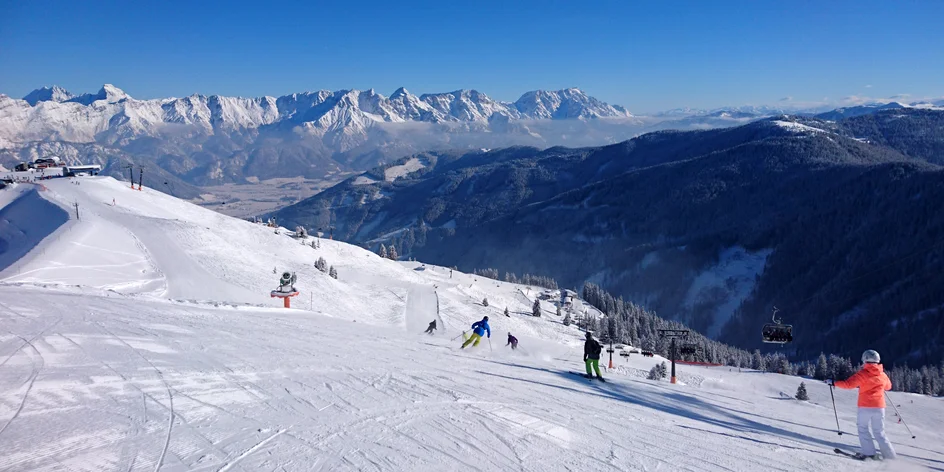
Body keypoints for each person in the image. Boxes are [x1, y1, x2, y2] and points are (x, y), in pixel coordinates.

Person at [827, 349, 896, 460]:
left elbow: (848, 384)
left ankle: (869, 453)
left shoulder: (863, 374)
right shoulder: (882, 374)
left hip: (865, 406)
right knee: (879, 432)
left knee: (863, 428)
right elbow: (888, 387)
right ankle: (891, 457)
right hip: (880, 407)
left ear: (865, 359)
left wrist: (834, 382)